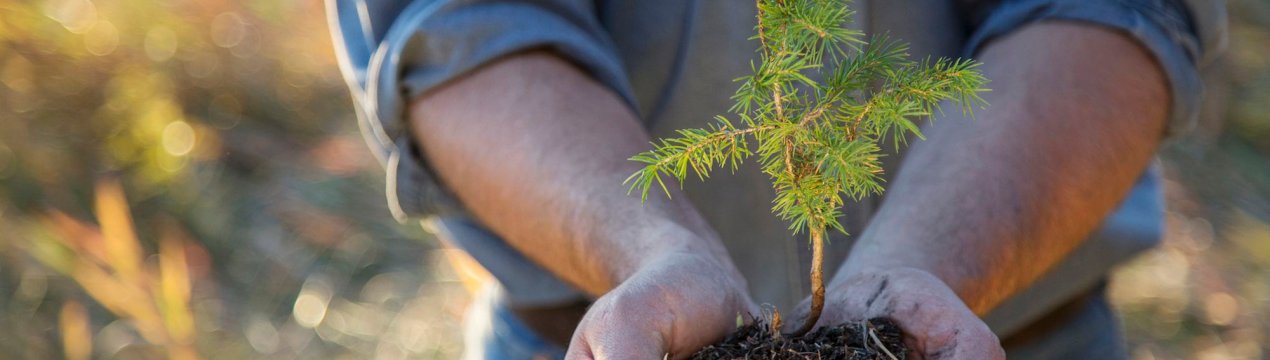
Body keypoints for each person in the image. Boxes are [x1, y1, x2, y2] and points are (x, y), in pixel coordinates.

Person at [327, 0, 1225, 358]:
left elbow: (1118, 10)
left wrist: (920, 272)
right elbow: (458, 26)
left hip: (997, 337)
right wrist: (651, 248)